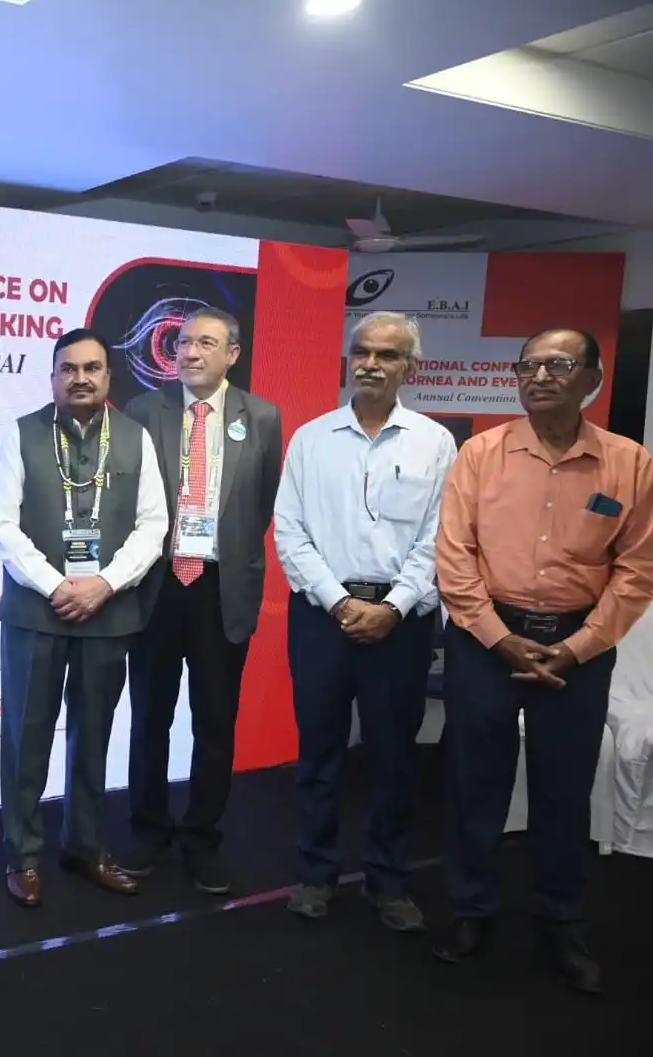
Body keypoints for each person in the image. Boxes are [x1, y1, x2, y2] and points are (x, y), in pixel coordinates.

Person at [433, 328, 653, 993]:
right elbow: (455, 558)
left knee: (564, 789)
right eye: (528, 366)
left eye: (559, 364)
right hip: (484, 641)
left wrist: (576, 647)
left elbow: (637, 570)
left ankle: (562, 921)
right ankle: (472, 909)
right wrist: (499, 637)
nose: (540, 376)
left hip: (577, 647)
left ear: (594, 378)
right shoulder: (481, 454)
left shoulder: (630, 463)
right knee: (476, 784)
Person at [273, 313, 455, 930]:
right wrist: (339, 602)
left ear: (411, 368)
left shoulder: (435, 442)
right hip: (322, 618)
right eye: (362, 352)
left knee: (393, 757)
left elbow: (440, 537)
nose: (371, 363)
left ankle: (388, 880)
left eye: (387, 354)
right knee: (319, 753)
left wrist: (393, 606)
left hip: (401, 625)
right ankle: (315, 874)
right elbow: (290, 532)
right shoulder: (311, 439)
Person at [0, 328, 167, 907]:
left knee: (93, 737)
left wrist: (105, 584)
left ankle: (85, 846)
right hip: (34, 612)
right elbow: (3, 525)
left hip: (108, 613)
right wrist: (56, 585)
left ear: (109, 376)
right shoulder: (21, 434)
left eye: (92, 368)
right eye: (69, 369)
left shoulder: (136, 438)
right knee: (26, 738)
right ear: (53, 378)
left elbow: (153, 525)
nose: (81, 378)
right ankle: (23, 854)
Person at [120, 306, 282, 895]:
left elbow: (262, 504)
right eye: (184, 342)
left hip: (220, 588)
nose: (190, 352)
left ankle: (201, 838)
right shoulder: (145, 411)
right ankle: (148, 831)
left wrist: (225, 551)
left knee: (215, 721)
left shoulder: (261, 416)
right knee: (150, 718)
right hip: (158, 587)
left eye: (206, 343)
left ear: (232, 354)